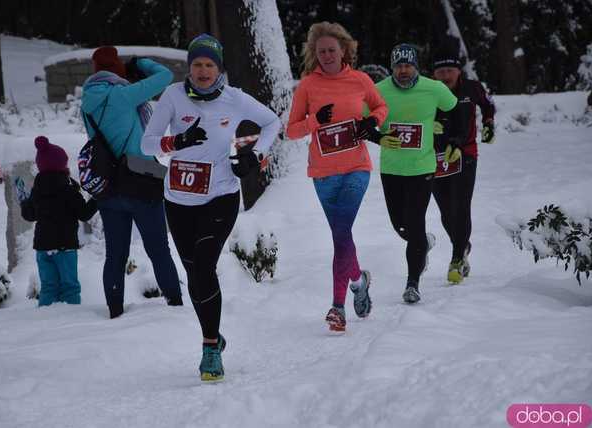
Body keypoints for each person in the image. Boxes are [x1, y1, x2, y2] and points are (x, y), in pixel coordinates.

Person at [141, 34, 281, 382]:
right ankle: (214, 335)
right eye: (197, 64)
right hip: (178, 200)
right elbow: (147, 144)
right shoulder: (173, 96)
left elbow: (272, 123)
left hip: (220, 195)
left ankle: (208, 350)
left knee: (204, 264)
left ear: (219, 69)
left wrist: (256, 156)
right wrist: (177, 142)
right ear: (189, 67)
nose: (202, 71)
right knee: (195, 273)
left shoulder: (235, 100)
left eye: (209, 65)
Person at [286, 22, 388, 332]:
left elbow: (381, 106)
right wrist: (316, 120)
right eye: (321, 51)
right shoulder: (307, 85)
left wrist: (372, 121)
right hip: (323, 173)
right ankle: (358, 280)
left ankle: (337, 306)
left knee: (341, 234)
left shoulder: (360, 80)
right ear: (314, 54)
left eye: (332, 50)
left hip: (356, 167)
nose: (327, 55)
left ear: (344, 50)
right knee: (342, 237)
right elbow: (291, 131)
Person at [81, 46, 182, 319]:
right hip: (141, 182)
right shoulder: (123, 95)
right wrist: (141, 63)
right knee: (159, 250)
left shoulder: (87, 102)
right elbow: (165, 76)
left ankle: (115, 311)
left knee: (115, 256)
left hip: (108, 188)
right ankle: (175, 305)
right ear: (118, 69)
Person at [371, 43, 458, 304]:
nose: (403, 70)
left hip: (422, 168)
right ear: (392, 68)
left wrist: (445, 128)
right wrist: (379, 139)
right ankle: (423, 243)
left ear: (416, 67)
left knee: (415, 221)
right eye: (398, 66)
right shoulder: (378, 91)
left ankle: (412, 283)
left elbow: (455, 111)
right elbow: (361, 123)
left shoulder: (434, 89)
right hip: (392, 169)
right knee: (402, 227)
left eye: (408, 65)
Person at [430, 50, 496, 284]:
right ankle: (463, 244)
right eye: (440, 71)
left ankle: (457, 258)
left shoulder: (472, 88)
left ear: (459, 71)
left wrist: (489, 123)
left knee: (461, 205)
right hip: (436, 157)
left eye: (449, 70)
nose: (445, 75)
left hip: (466, 154)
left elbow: (488, 106)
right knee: (446, 212)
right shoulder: (428, 90)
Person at [20, 136, 98, 306]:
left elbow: (29, 215)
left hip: (43, 248)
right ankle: (70, 321)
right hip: (65, 247)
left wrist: (24, 202)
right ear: (62, 165)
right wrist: (97, 197)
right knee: (69, 287)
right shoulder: (68, 190)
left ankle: (47, 321)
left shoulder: (37, 191)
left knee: (48, 287)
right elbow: (84, 214)